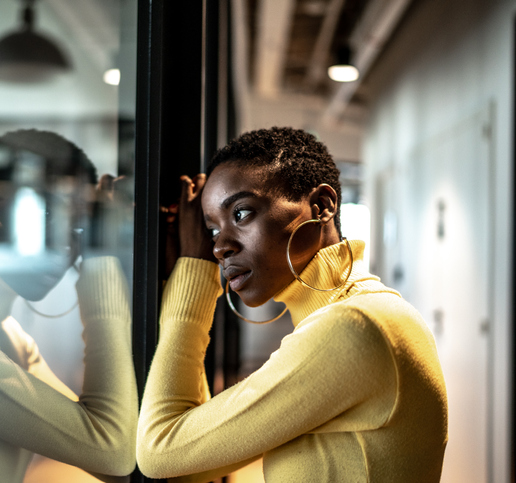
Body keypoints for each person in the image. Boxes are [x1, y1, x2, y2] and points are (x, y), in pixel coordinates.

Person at [137, 127, 448, 482]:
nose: (220, 247)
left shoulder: (355, 327)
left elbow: (160, 452)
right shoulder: (366, 313)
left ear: (322, 205)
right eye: (211, 230)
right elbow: (191, 464)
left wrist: (195, 278)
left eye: (240, 214)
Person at [0, 129, 137, 483]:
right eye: (50, 213)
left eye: (81, 228)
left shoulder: (14, 340)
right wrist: (100, 266)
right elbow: (113, 451)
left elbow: (124, 464)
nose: (67, 244)